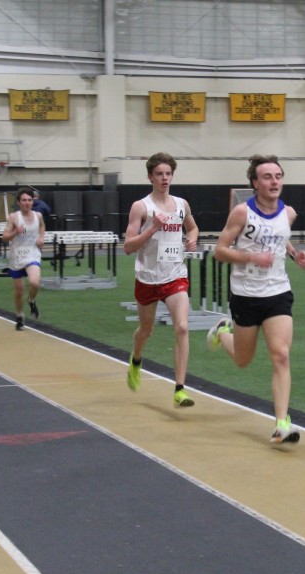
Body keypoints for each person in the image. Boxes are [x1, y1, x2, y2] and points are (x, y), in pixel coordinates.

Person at [209, 154, 305, 449]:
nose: (274, 181)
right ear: (255, 183)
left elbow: (280, 238)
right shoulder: (242, 213)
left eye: (278, 176)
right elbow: (219, 250)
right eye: (267, 177)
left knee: (281, 354)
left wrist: (296, 256)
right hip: (246, 294)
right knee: (243, 360)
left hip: (278, 291)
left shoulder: (288, 213)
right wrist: (251, 257)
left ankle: (282, 424)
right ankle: (222, 332)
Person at [124, 152, 200, 408]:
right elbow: (128, 247)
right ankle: (136, 360)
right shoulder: (141, 207)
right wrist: (153, 228)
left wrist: (192, 239)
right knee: (146, 331)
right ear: (150, 177)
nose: (165, 178)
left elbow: (192, 226)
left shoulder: (181, 204)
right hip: (148, 278)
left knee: (182, 327)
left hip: (175, 275)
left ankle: (180, 389)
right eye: (159, 174)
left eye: (168, 174)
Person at [1, 188, 46, 331]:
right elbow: (4, 237)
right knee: (19, 291)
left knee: (34, 282)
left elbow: (42, 226)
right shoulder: (14, 217)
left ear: (33, 201)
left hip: (33, 253)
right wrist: (16, 231)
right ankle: (19, 315)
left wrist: (41, 238)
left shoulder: (38, 215)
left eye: (29, 200)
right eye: (24, 200)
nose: (27, 203)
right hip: (17, 256)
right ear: (18, 202)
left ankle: (31, 300)